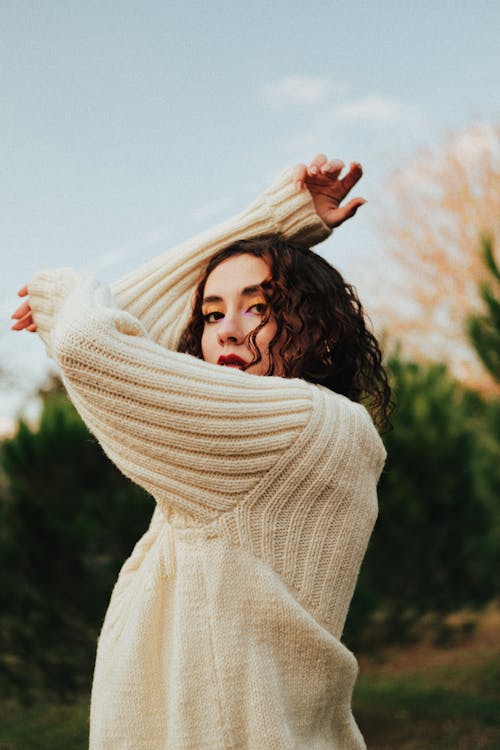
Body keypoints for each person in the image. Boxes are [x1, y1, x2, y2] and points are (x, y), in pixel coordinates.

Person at [11, 154, 390, 749]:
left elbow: (88, 341)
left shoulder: (304, 425)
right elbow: (111, 326)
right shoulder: (268, 432)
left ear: (323, 339)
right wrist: (276, 221)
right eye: (211, 314)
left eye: (260, 307)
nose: (228, 331)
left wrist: (63, 288)